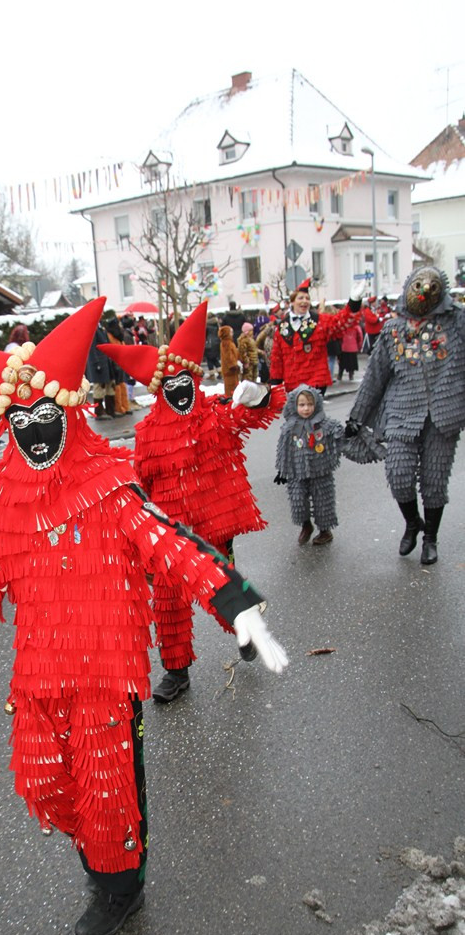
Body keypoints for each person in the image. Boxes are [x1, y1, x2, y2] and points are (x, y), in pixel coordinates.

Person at [0, 297, 288, 935]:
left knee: (109, 784)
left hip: (106, 673)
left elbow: (172, 542)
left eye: (45, 414)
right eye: (21, 416)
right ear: (8, 420)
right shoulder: (5, 494)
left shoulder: (110, 484)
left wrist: (235, 602)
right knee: (44, 779)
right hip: (39, 672)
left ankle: (121, 886)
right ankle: (103, 854)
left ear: (71, 411)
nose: (34, 428)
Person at [99, 301, 286, 704]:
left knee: (220, 589)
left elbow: (255, 415)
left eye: (184, 380)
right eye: (170, 385)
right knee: (168, 603)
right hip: (170, 535)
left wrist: (259, 396)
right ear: (159, 391)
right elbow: (141, 480)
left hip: (213, 528)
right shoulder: (148, 432)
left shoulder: (217, 415)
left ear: (194, 379)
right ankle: (176, 671)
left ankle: (244, 628)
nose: (179, 389)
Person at [345, 265, 465, 566]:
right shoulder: (392, 329)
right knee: (398, 475)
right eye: (418, 285)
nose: (424, 291)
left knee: (434, 481)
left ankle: (430, 538)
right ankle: (413, 523)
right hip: (402, 412)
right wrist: (356, 417)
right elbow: (375, 376)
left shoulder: (458, 321)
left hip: (444, 412)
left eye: (432, 287)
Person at [274, 385, 344, 546]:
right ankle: (306, 525)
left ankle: (325, 530)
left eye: (310, 405)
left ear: (316, 405)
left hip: (321, 471)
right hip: (296, 472)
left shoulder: (325, 424)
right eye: (302, 405)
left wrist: (344, 434)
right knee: (297, 500)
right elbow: (284, 451)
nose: (306, 409)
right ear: (295, 406)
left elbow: (340, 436)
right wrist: (282, 471)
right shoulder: (289, 428)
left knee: (323, 501)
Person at [269, 278, 366, 394]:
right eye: (300, 298)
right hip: (292, 384)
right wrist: (275, 385)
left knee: (313, 411)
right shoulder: (282, 327)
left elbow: (342, 322)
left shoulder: (319, 321)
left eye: (307, 298)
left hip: (316, 382)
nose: (304, 301)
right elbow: (277, 359)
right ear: (292, 302)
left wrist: (354, 302)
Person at [218, 323, 240, 397]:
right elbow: (228, 357)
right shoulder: (226, 343)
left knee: (233, 388)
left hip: (231, 371)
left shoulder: (229, 342)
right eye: (231, 332)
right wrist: (233, 365)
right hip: (230, 370)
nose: (232, 334)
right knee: (231, 390)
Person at [338, 317, 363, 381]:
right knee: (352, 363)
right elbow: (360, 337)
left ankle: (340, 375)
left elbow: (339, 335)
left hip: (344, 347)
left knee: (342, 363)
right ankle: (351, 375)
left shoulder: (343, 326)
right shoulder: (356, 327)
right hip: (353, 348)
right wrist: (359, 346)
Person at [203, 313, 221, 380]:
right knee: (215, 359)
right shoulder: (217, 324)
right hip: (216, 343)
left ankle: (212, 375)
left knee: (209, 359)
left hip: (209, 343)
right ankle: (220, 373)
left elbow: (205, 335)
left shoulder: (207, 325)